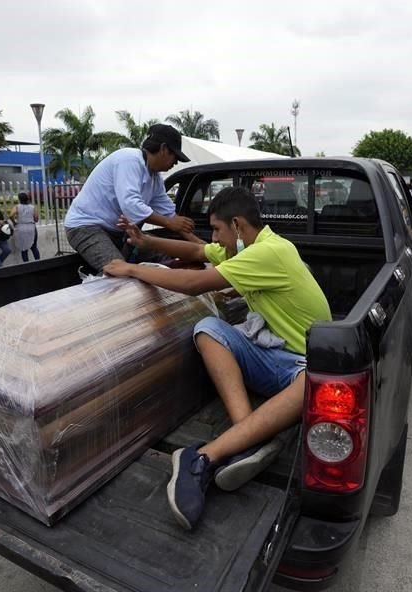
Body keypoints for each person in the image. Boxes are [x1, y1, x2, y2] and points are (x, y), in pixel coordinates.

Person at [102, 186, 331, 530]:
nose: (215, 239)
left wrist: (133, 270)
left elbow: (196, 284)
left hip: (302, 362)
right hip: (274, 354)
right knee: (209, 328)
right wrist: (148, 244)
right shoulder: (249, 246)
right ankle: (247, 434)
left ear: (237, 225)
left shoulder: (270, 252)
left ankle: (202, 457)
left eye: (219, 230)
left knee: (315, 385)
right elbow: (196, 249)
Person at [64, 123, 194, 271]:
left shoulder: (155, 178)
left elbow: (171, 216)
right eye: (175, 156)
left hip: (118, 231)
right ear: (164, 149)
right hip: (85, 226)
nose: (175, 162)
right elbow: (131, 205)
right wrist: (169, 223)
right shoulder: (129, 159)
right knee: (119, 272)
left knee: (167, 260)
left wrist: (200, 246)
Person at [10, 192, 41, 262]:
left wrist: (14, 222)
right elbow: (36, 219)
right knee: (34, 247)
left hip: (21, 228)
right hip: (31, 228)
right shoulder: (33, 207)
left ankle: (26, 265)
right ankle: (39, 263)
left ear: (19, 199)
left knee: (23, 248)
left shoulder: (17, 207)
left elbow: (11, 215)